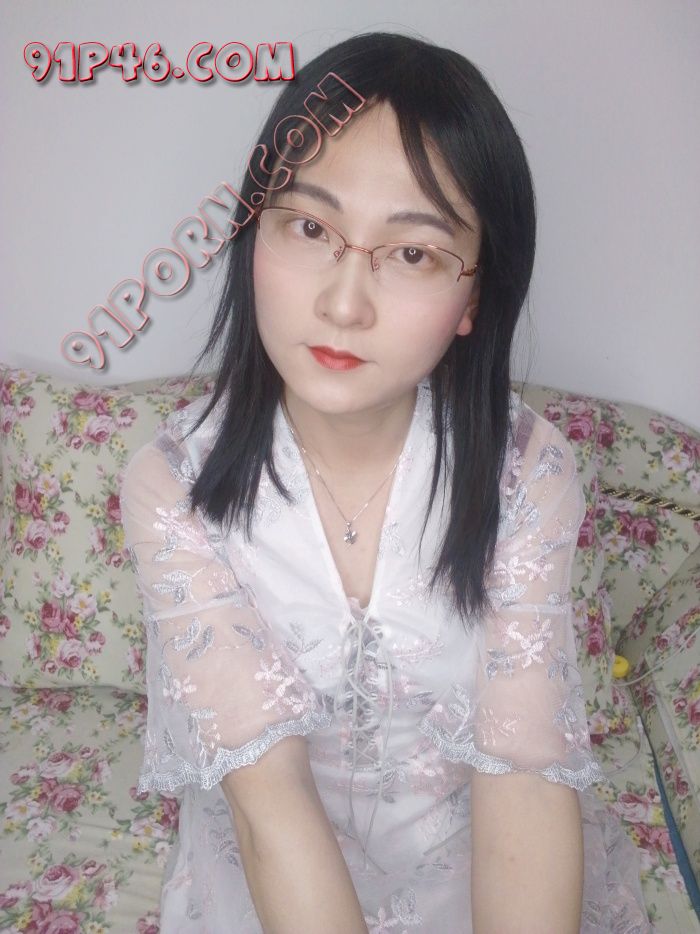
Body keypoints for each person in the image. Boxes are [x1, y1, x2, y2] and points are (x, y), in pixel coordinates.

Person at [119, 32, 650, 933]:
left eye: (412, 254)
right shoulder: (173, 484)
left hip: (481, 880)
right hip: (274, 893)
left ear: (474, 296)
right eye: (310, 228)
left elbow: (524, 779)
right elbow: (270, 806)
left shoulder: (528, 473)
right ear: (254, 231)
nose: (343, 304)